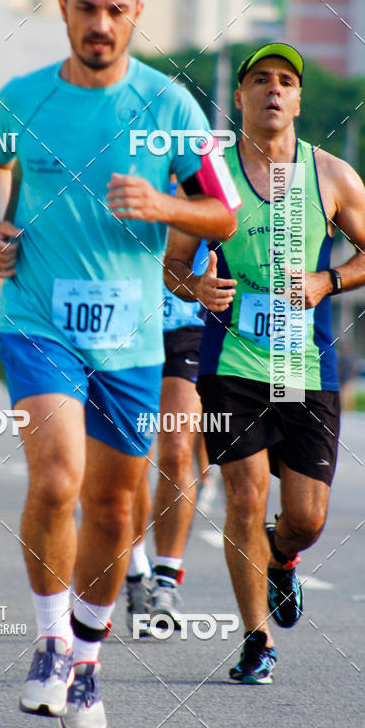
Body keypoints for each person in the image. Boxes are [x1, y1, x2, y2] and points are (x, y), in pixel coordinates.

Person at [0, 0, 237, 728]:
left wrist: (164, 206)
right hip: (39, 322)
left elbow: (222, 211)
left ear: (137, 12)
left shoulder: (170, 108)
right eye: (86, 7)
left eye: (117, 10)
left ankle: (87, 662)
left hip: (132, 337)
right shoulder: (22, 97)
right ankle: (52, 640)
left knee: (117, 509)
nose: (101, 23)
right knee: (58, 480)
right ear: (62, 7)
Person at [165, 43, 365, 684]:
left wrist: (326, 281)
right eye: (261, 80)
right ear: (241, 97)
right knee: (245, 495)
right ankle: (256, 639)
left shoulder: (332, 175)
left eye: (286, 81)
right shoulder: (211, 177)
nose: (274, 90)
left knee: (306, 519)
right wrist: (197, 287)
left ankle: (282, 558)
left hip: (303, 366)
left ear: (299, 100)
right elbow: (173, 264)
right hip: (230, 361)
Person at [125, 232, 211, 637]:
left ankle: (166, 580)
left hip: (188, 329)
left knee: (177, 451)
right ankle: (134, 569)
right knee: (129, 458)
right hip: (126, 329)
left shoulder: (205, 192)